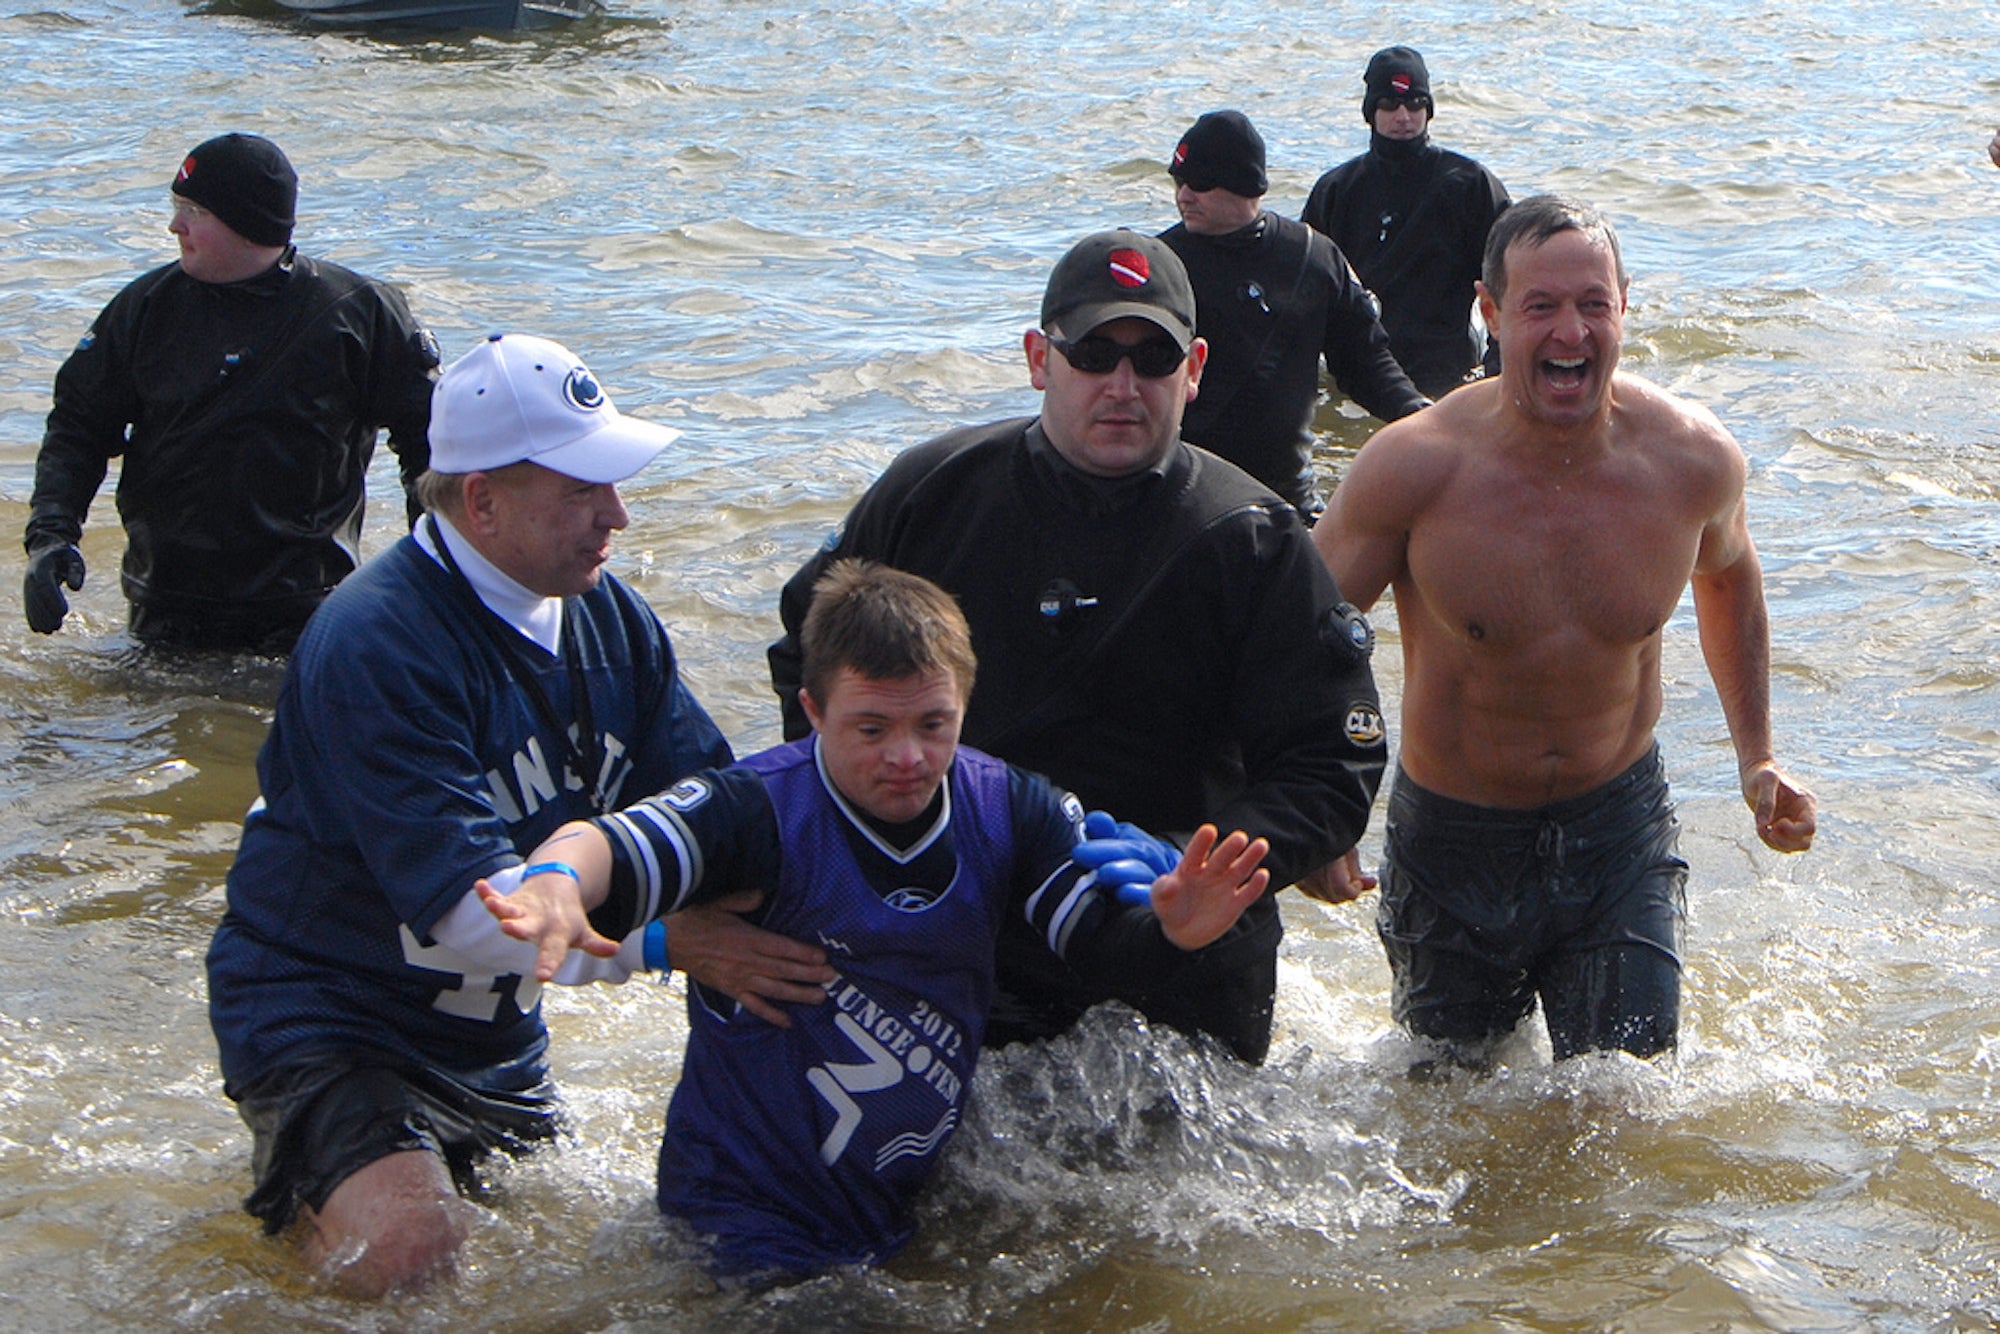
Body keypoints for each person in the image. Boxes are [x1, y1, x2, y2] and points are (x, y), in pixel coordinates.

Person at [483, 558, 1271, 1278]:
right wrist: (555, 878)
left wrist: (1177, 934)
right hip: (742, 1220)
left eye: (933, 724)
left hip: (905, 1201)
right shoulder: (755, 814)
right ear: (813, 710)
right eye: (871, 729)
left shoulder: (1009, 806)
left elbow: (1103, 954)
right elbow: (612, 846)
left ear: (966, 702)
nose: (907, 757)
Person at [204, 333, 752, 1297]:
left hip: (491, 1038)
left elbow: (721, 812)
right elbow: (474, 917)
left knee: (626, 1266)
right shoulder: (376, 641)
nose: (615, 515)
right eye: (583, 488)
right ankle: (298, 1211)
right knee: (414, 1259)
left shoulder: (610, 618)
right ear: (482, 499)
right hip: (332, 1013)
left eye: (613, 484)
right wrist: (674, 945)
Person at [763, 230, 1389, 1065]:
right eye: (1094, 354)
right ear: (1038, 357)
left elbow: (1332, 763)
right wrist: (856, 844)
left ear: (1195, 369)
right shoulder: (931, 492)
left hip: (1175, 928)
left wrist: (1218, 861)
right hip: (960, 923)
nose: (1123, 386)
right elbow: (807, 666)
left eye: (1153, 359)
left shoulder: (1256, 539)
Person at [1314, 194, 1819, 1066]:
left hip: (1617, 830)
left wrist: (1758, 755)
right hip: (1452, 841)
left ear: (1627, 306)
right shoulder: (1414, 467)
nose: (1570, 332)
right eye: (1540, 306)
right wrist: (1316, 814)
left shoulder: (1692, 460)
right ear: (1491, 312)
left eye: (1593, 304)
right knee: (1451, 1112)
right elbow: (1299, 639)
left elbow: (1730, 575)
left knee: (1630, 1102)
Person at [23, 132, 439, 653]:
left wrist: (435, 570)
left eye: (193, 209)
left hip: (307, 615)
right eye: (176, 206)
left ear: (247, 222)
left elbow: (431, 444)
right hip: (164, 611)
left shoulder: (358, 314)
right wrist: (50, 539)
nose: (175, 224)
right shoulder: (145, 308)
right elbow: (76, 428)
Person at [1160, 109, 1427, 519]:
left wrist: (1430, 424)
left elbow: (1367, 365)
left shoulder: (1312, 257)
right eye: (1179, 182)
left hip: (1289, 502)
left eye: (1199, 183)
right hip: (1188, 499)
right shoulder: (1163, 265)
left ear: (1243, 185)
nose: (1184, 196)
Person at [1301, 47, 1513, 401]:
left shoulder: (1470, 185)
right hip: (1358, 371)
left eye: (1415, 103)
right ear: (1370, 112)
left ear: (1429, 110)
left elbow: (1509, 278)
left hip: (1448, 369)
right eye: (1389, 103)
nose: (1403, 116)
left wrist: (1499, 372)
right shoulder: (1336, 190)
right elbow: (1304, 291)